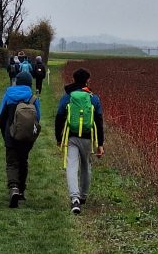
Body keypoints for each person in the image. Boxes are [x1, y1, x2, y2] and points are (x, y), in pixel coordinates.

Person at [55, 68, 105, 215]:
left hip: (71, 137)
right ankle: (83, 196)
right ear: (86, 80)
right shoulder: (93, 98)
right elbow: (99, 121)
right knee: (86, 167)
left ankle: (74, 199)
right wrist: (100, 144)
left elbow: (59, 118)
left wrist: (59, 138)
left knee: (71, 166)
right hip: (88, 138)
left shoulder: (67, 97)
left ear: (74, 79)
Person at [0, 71, 40, 207]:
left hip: (10, 135)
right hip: (27, 137)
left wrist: (5, 134)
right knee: (23, 161)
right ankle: (21, 191)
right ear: (29, 83)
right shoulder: (33, 98)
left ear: (17, 81)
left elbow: (1, 116)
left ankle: (13, 188)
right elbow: (38, 118)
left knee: (12, 163)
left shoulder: (8, 95)